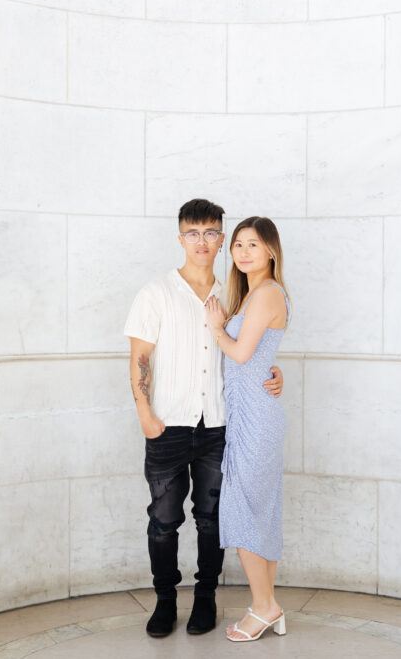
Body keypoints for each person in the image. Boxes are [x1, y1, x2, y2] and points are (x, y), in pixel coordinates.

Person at [124, 199, 284, 638]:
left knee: (212, 520)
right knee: (163, 520)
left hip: (218, 427)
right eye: (192, 233)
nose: (202, 241)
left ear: (221, 240)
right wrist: (145, 412)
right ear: (180, 239)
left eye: (211, 233)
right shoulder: (155, 292)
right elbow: (140, 356)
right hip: (167, 425)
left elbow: (247, 349)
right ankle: (164, 602)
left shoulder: (233, 296)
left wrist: (272, 370)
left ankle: (206, 601)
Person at [205, 216, 291, 642]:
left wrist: (217, 329)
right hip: (253, 414)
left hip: (256, 420)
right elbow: (258, 359)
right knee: (259, 511)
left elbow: (239, 355)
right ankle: (268, 605)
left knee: (245, 512)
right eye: (237, 244)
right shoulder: (252, 295)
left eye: (252, 245)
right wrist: (273, 371)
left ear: (270, 251)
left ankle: (264, 606)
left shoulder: (267, 294)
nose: (242, 252)